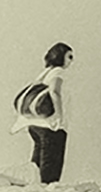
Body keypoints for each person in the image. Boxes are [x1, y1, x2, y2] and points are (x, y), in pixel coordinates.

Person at [13, 42, 73, 183]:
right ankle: (46, 189)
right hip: (50, 124)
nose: (71, 61)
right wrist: (59, 115)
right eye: (69, 56)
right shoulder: (58, 71)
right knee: (51, 165)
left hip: (35, 124)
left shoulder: (43, 74)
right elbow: (55, 91)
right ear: (60, 56)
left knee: (37, 163)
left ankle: (33, 187)